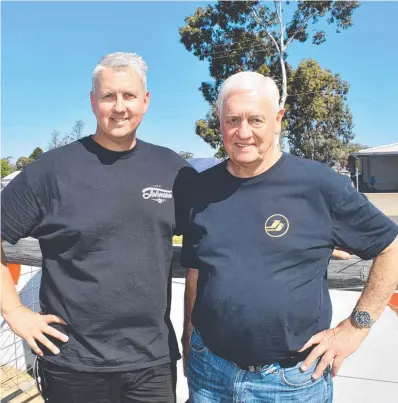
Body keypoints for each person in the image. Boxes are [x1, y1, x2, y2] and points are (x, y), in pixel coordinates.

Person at [180, 72, 398, 402]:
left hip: (291, 383)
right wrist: (189, 333)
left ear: (278, 118)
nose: (243, 132)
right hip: (210, 373)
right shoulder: (202, 188)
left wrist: (355, 327)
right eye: (233, 119)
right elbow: (197, 268)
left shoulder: (319, 186)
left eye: (256, 119)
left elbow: (390, 247)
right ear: (219, 120)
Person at [1, 52, 194, 403]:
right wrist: (14, 312)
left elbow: (217, 232)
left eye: (129, 95)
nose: (119, 107)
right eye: (108, 96)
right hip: (72, 363)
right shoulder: (52, 171)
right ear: (93, 102)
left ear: (146, 101)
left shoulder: (173, 170)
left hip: (151, 362)